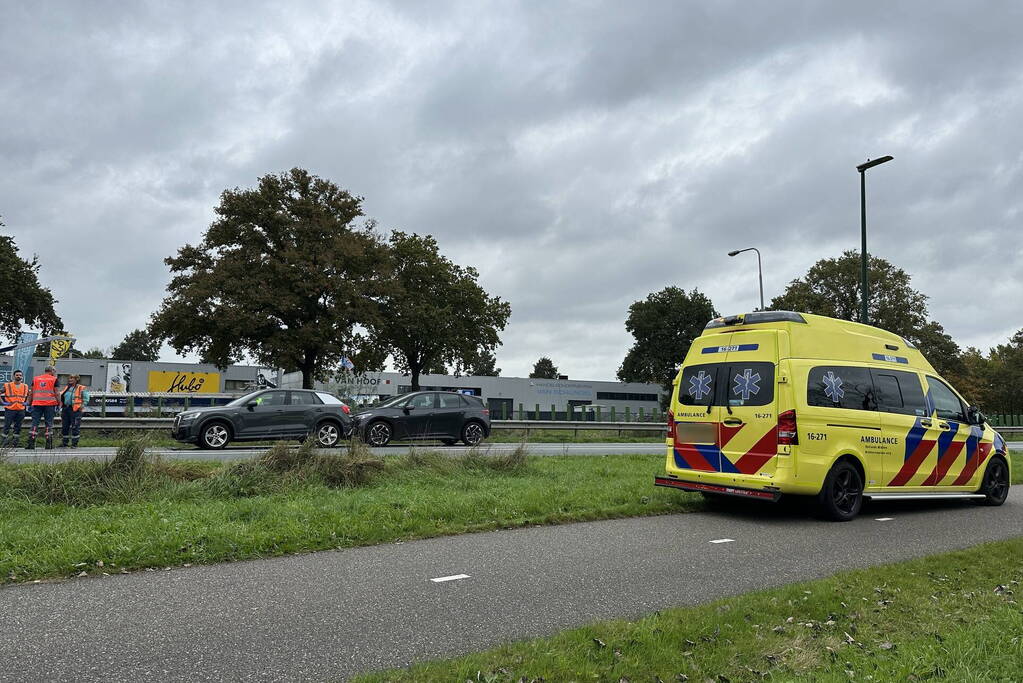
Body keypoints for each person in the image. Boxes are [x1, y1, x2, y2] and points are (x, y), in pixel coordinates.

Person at [26, 366, 59, 450]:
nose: (55, 372)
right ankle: (49, 444)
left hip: (36, 404)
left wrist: (29, 403)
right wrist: (59, 403)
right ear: (51, 371)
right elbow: (57, 393)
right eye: (54, 371)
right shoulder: (54, 379)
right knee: (48, 423)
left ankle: (31, 443)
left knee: (35, 423)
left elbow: (31, 393)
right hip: (50, 404)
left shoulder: (36, 379)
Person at [59, 374, 90, 448]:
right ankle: (64, 443)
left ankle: (74, 444)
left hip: (75, 410)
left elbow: (86, 399)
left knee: (75, 426)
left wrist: (81, 406)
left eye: (72, 378)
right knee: (65, 426)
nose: (70, 380)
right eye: (69, 378)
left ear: (76, 379)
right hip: (66, 409)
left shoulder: (81, 388)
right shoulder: (67, 387)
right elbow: (61, 396)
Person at [1, 370, 30, 448]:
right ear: (14, 376)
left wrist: (26, 402)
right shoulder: (7, 385)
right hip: (10, 409)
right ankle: (4, 443)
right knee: (7, 426)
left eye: (20, 375)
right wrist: (3, 403)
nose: (19, 376)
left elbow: (29, 395)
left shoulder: (25, 386)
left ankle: (15, 443)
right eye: (17, 375)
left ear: (22, 377)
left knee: (18, 427)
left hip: (21, 409)